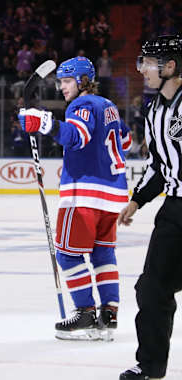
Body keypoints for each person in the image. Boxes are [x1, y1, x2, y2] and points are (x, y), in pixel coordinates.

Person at [18, 56, 132, 341]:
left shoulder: (81, 105)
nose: (62, 87)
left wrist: (44, 122)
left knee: (68, 254)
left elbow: (76, 136)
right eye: (60, 82)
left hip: (84, 194)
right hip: (113, 195)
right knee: (103, 253)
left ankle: (85, 313)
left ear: (82, 81)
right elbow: (125, 141)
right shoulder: (109, 106)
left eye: (67, 81)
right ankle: (109, 313)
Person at [118, 34, 182, 380]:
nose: (142, 69)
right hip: (174, 211)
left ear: (170, 66)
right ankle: (151, 366)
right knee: (152, 288)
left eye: (149, 62)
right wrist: (136, 200)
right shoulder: (154, 109)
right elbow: (159, 165)